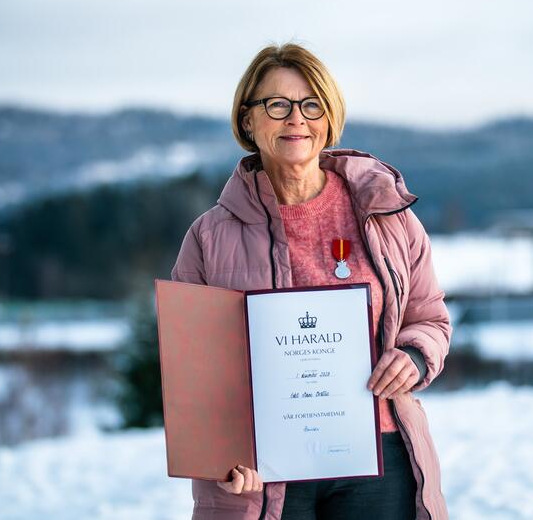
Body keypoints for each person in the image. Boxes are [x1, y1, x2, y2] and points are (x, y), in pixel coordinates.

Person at [171, 42, 452, 520]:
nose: (295, 118)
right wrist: (221, 453)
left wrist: (413, 355)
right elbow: (192, 368)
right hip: (264, 473)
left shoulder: (386, 214)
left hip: (379, 457)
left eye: (310, 104)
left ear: (328, 115)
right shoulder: (209, 236)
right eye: (276, 105)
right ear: (248, 120)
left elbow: (428, 318)